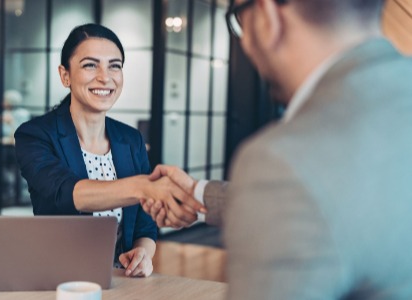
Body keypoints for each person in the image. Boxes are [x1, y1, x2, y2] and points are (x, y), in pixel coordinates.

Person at [142, 0, 412, 298]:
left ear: (268, 15)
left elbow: (302, 191)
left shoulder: (281, 160)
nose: (243, 41)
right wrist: (195, 192)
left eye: (238, 24)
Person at [14, 24, 203, 278]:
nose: (105, 76)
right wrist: (144, 186)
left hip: (120, 281)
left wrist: (143, 253)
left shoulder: (131, 139)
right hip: (58, 279)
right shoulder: (34, 135)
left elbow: (145, 225)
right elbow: (64, 192)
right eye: (90, 65)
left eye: (115, 65)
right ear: (65, 75)